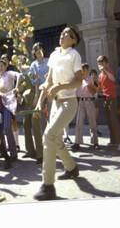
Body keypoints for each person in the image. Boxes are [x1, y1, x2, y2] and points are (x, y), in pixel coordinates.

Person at [33, 26, 83, 201]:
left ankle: (48, 186)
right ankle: (71, 168)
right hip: (54, 103)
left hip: (69, 103)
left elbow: (78, 81)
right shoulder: (54, 55)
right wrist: (40, 102)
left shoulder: (74, 55)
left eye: (68, 34)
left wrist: (60, 87)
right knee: (56, 139)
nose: (63, 35)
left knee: (48, 136)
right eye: (62, 33)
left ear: (74, 40)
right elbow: (48, 81)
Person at [0, 59, 20, 166]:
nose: (0, 68)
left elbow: (19, 75)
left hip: (9, 104)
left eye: (2, 66)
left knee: (7, 127)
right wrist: (0, 93)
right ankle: (3, 152)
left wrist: (16, 87)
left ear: (6, 66)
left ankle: (13, 153)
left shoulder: (9, 74)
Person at [96, 55, 120, 152]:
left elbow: (113, 79)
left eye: (101, 62)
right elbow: (100, 88)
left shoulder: (108, 71)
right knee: (109, 121)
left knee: (114, 120)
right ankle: (114, 141)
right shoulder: (100, 75)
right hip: (105, 99)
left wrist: (104, 70)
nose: (100, 64)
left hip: (112, 98)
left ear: (106, 63)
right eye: (99, 62)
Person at [72, 63, 99, 151]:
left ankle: (95, 142)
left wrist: (91, 86)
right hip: (80, 101)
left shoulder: (91, 79)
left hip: (89, 101)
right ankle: (77, 142)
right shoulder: (78, 80)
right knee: (79, 122)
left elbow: (95, 91)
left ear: (87, 70)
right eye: (82, 69)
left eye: (84, 69)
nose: (83, 71)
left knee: (92, 122)